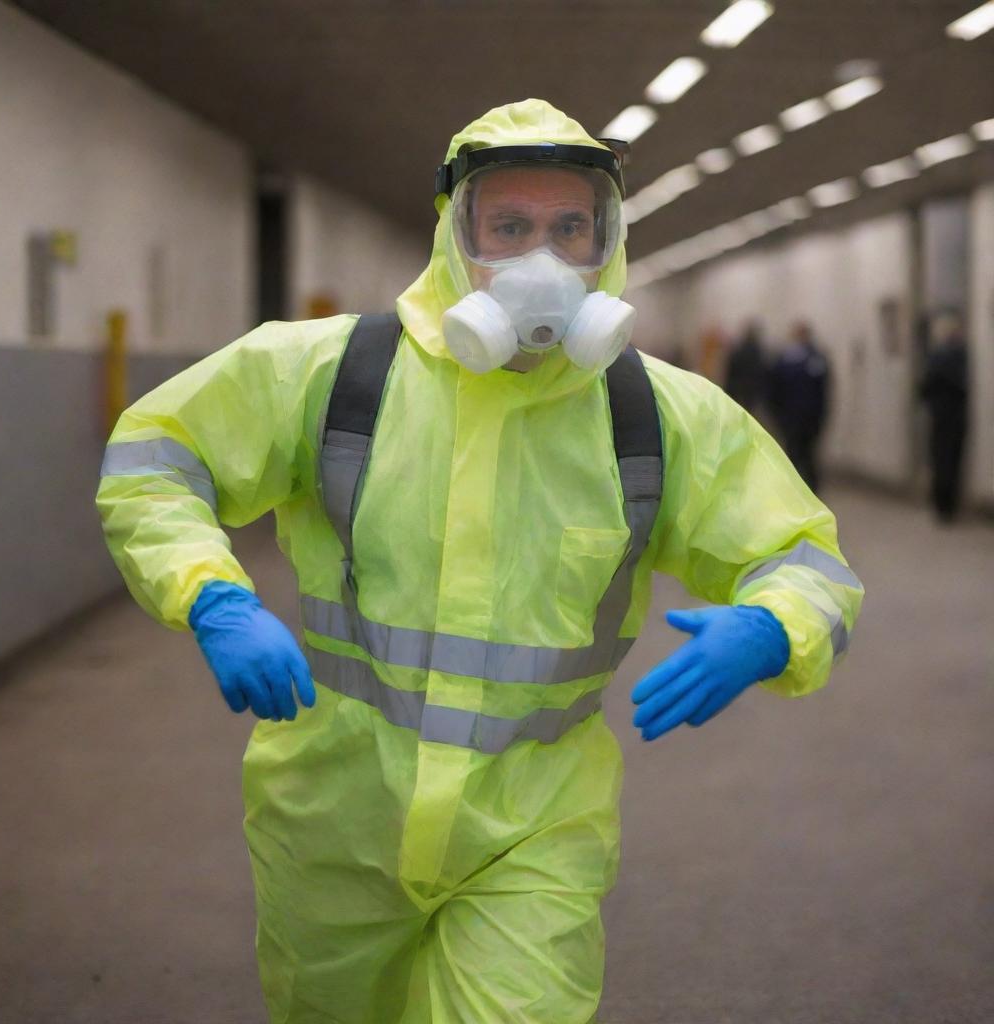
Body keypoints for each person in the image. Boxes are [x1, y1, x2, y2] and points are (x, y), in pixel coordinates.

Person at [96, 99, 863, 1024]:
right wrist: (210, 594)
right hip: (333, 827)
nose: (541, 260)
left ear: (604, 243)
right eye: (509, 226)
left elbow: (805, 556)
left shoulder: (658, 416)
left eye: (568, 228)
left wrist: (774, 624)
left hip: (534, 837)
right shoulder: (330, 374)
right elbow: (155, 461)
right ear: (456, 239)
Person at [767, 321, 830, 492]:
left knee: (807, 458)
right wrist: (778, 416)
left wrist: (821, 418)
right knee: (793, 457)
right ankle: (794, 492)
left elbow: (824, 391)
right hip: (791, 418)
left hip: (808, 419)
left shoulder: (816, 358)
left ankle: (810, 493)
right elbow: (774, 389)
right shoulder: (785, 359)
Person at [919, 310, 969, 522]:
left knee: (942, 460)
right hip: (955, 415)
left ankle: (942, 505)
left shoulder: (938, 357)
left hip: (942, 415)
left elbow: (925, 387)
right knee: (951, 461)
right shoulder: (961, 356)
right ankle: (948, 506)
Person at [724, 320, 768, 415]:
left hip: (739, 388)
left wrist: (729, 388)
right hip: (752, 389)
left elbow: (732, 370)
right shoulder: (759, 352)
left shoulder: (739, 349)